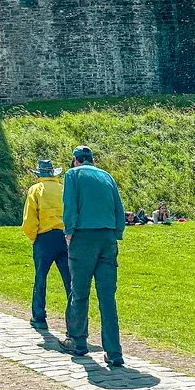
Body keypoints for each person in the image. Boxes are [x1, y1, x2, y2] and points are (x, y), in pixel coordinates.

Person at [58, 146, 126, 368]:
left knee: (80, 291)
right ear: (92, 160)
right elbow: (119, 208)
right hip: (107, 238)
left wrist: (69, 232)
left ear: (75, 160)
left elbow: (70, 206)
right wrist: (116, 233)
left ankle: (77, 341)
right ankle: (114, 351)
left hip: (84, 237)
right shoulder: (107, 176)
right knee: (107, 297)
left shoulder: (73, 175)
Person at [22, 158, 71, 331]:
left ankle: (39, 317)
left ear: (39, 174)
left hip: (44, 237)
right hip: (64, 236)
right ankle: (74, 320)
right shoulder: (63, 189)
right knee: (69, 280)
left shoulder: (35, 190)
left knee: (41, 278)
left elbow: (30, 219)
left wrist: (33, 237)